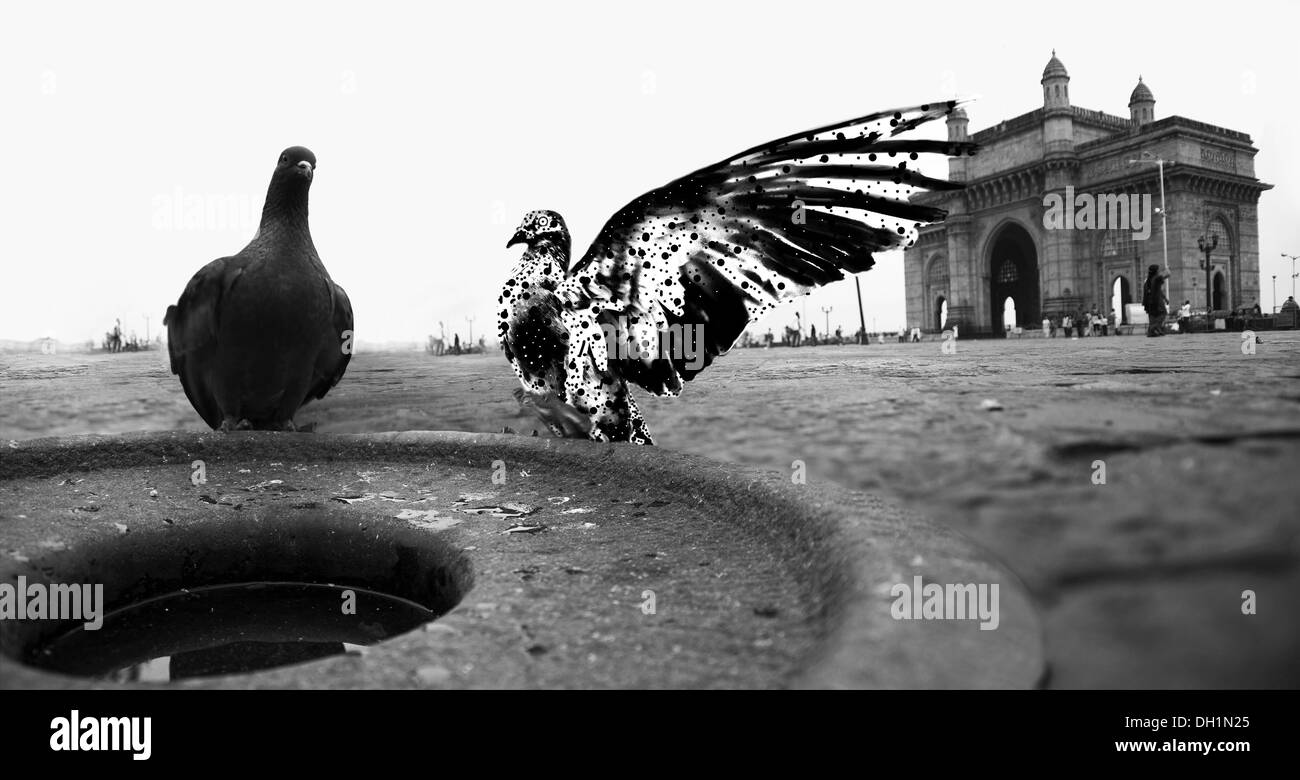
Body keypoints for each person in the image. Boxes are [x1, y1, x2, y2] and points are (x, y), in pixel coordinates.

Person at [1143, 264, 1170, 337]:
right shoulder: (1156, 278)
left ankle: (1152, 332)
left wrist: (1165, 298)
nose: (1159, 271)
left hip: (1149, 303)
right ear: (1156, 271)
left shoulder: (1147, 281)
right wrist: (1167, 268)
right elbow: (1168, 274)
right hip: (1156, 301)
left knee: (1152, 316)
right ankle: (1154, 328)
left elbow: (1158, 290)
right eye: (1158, 270)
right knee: (1163, 314)